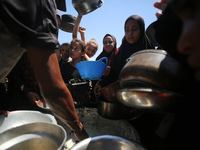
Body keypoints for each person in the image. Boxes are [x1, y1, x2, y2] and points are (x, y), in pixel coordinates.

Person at [0, 0, 88, 140]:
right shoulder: (41, 4)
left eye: (57, 27)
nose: (54, 30)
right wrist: (79, 130)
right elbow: (53, 89)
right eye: (54, 24)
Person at [94, 15, 154, 94]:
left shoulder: (149, 51)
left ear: (141, 29)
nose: (130, 33)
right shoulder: (122, 52)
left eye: (134, 29)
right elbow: (116, 74)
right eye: (127, 30)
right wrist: (103, 80)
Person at [61, 38, 90, 107]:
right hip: (67, 103)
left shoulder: (86, 68)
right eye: (71, 48)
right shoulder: (64, 67)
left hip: (82, 105)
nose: (72, 50)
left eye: (76, 49)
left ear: (83, 53)